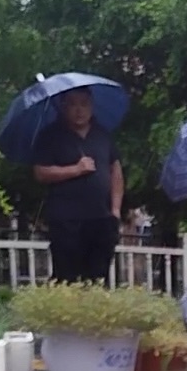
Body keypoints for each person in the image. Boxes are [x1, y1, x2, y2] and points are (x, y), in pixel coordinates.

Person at [33, 87, 124, 284]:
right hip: (66, 220)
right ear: (64, 107)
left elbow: (115, 170)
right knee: (67, 278)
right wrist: (75, 170)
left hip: (101, 218)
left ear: (92, 106)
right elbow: (41, 172)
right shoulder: (51, 135)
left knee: (98, 278)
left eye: (84, 104)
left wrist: (115, 210)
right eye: (73, 104)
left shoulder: (102, 134)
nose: (79, 110)